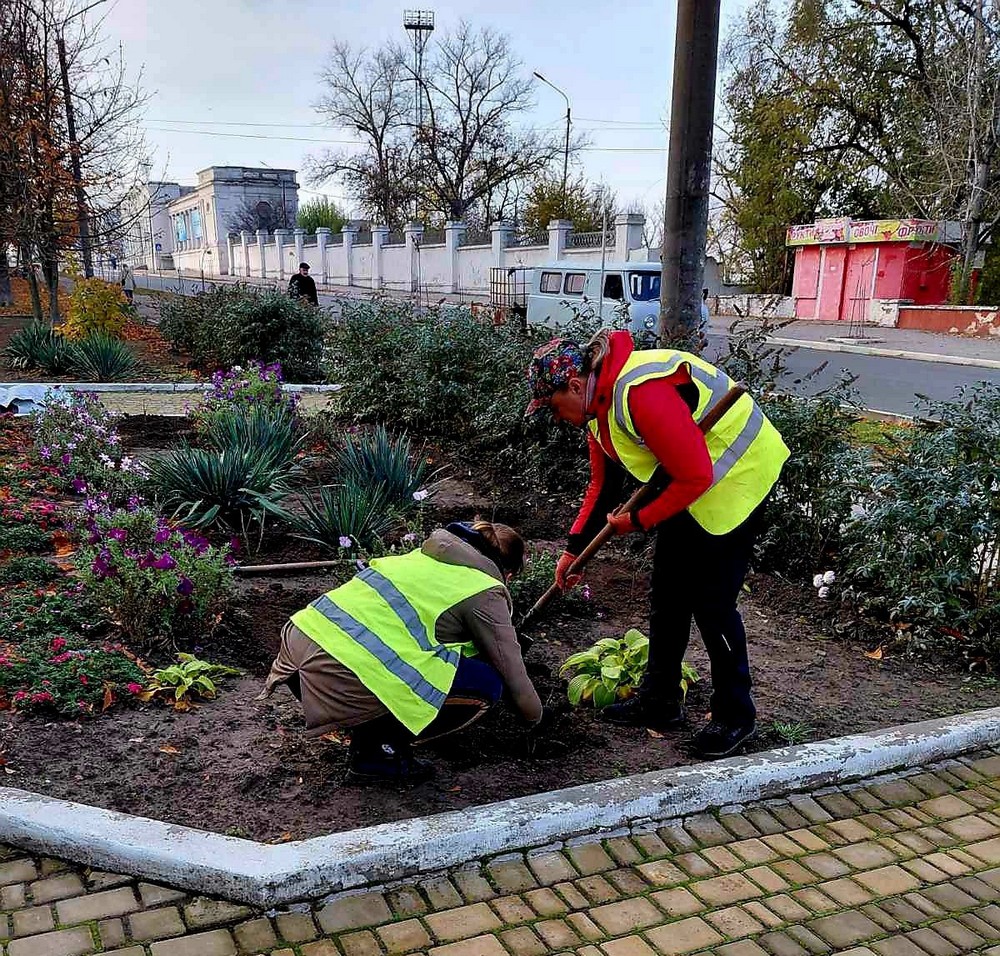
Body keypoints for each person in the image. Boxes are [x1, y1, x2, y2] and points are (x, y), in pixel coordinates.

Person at [524, 331, 789, 759]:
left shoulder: (640, 393)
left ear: (574, 386)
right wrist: (573, 550)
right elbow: (603, 484)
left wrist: (641, 520)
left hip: (736, 474)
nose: (556, 418)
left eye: (553, 407)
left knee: (712, 603)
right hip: (688, 478)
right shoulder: (597, 406)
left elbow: (698, 476)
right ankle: (660, 700)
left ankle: (735, 715)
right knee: (667, 594)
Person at [261, 521, 543, 781]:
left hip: (297, 655)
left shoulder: (419, 558)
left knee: (412, 664)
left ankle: (369, 740)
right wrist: (535, 720)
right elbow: (514, 679)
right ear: (507, 573)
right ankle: (380, 755)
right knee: (488, 683)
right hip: (341, 676)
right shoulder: (485, 590)